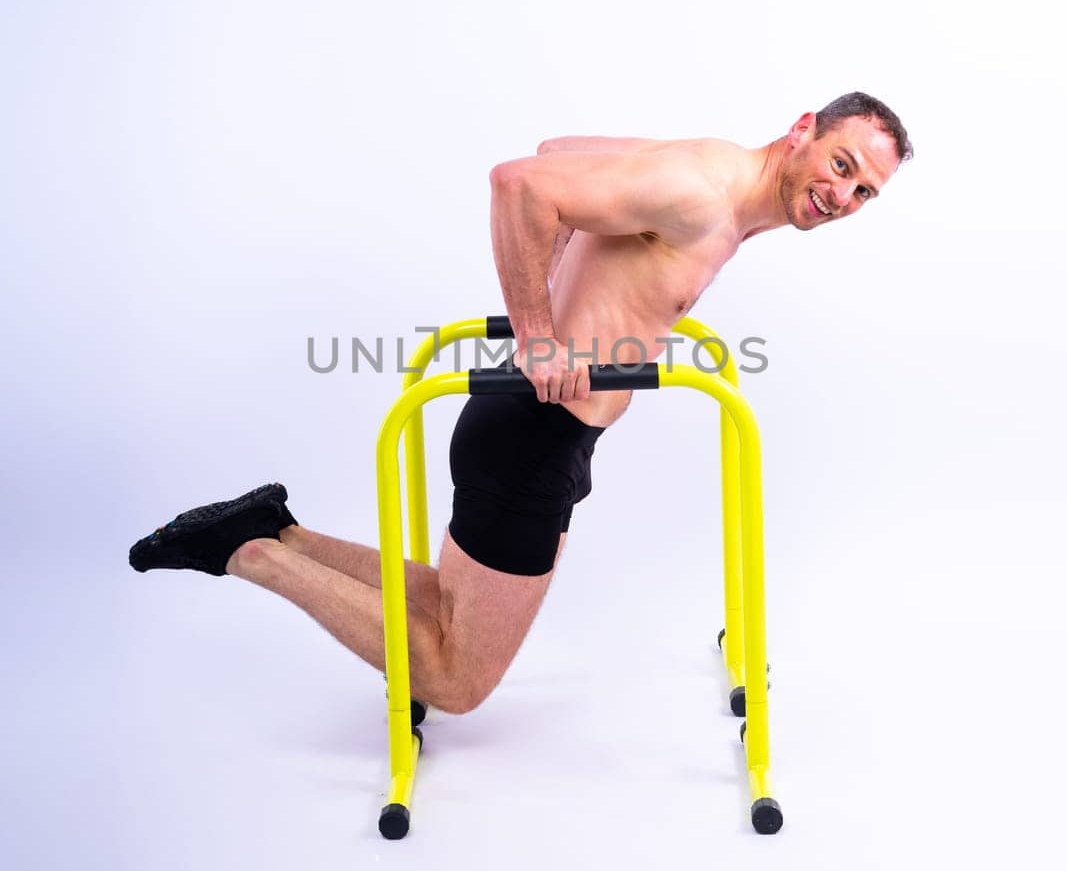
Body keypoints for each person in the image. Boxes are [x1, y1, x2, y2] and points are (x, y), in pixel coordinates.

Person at [129, 92, 912, 714]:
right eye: (840, 163)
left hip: (553, 441)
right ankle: (252, 555)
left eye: (863, 191)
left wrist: (582, 289)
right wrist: (540, 337)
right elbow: (521, 180)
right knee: (454, 679)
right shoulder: (701, 191)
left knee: (448, 605)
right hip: (533, 438)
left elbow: (559, 155)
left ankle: (276, 526)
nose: (841, 193)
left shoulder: (709, 175)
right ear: (803, 129)